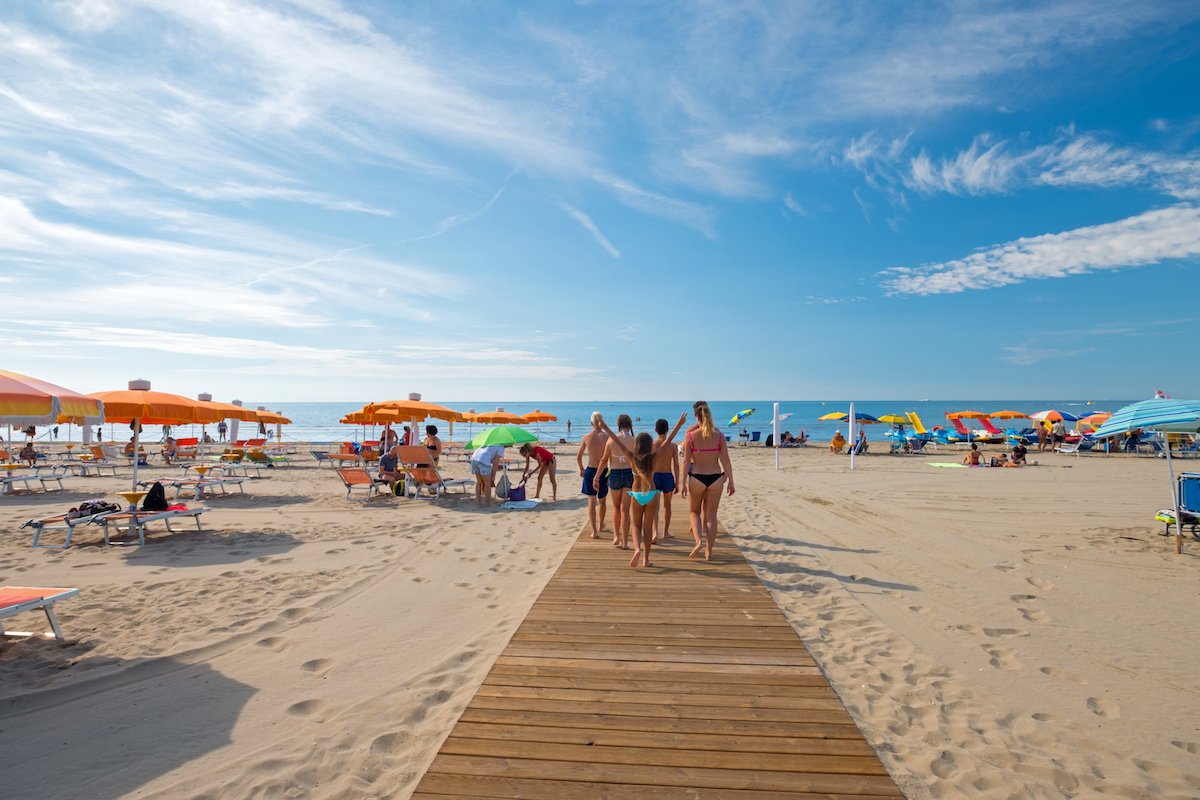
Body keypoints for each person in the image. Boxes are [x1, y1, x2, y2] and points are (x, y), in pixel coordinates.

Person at [597, 413, 687, 567]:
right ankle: (646, 559)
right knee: (647, 527)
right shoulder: (654, 456)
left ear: (637, 445)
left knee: (636, 525)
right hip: (651, 494)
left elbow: (617, 440)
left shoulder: (632, 457)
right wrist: (679, 424)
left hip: (637, 494)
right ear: (650, 445)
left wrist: (604, 427)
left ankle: (637, 549)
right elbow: (668, 440)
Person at [681, 401, 736, 561]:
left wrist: (682, 482)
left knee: (694, 512)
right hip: (715, 478)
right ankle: (709, 551)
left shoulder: (690, 435)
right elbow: (726, 460)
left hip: (697, 477)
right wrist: (731, 481)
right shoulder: (719, 435)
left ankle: (698, 541)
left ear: (696, 416)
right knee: (711, 516)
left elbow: (686, 462)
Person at [595, 414, 636, 549]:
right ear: (629, 425)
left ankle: (616, 537)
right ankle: (625, 542)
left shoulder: (612, 440)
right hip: (629, 474)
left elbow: (603, 460)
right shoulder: (634, 440)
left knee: (616, 507)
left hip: (615, 474)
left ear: (618, 425)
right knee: (625, 510)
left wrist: (596, 477)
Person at [576, 412, 609, 538]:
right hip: (603, 471)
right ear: (601, 422)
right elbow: (608, 457)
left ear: (591, 423)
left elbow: (578, 456)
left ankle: (594, 530)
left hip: (590, 470)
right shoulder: (606, 437)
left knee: (591, 501)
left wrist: (581, 469)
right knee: (603, 500)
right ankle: (601, 525)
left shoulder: (586, 437)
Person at [651, 418, 681, 542]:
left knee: (655, 507)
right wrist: (678, 481)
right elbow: (676, 465)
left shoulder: (652, 444)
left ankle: (654, 532)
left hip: (655, 477)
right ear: (667, 430)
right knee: (667, 506)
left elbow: (649, 463)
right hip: (668, 477)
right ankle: (666, 531)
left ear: (655, 430)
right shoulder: (673, 446)